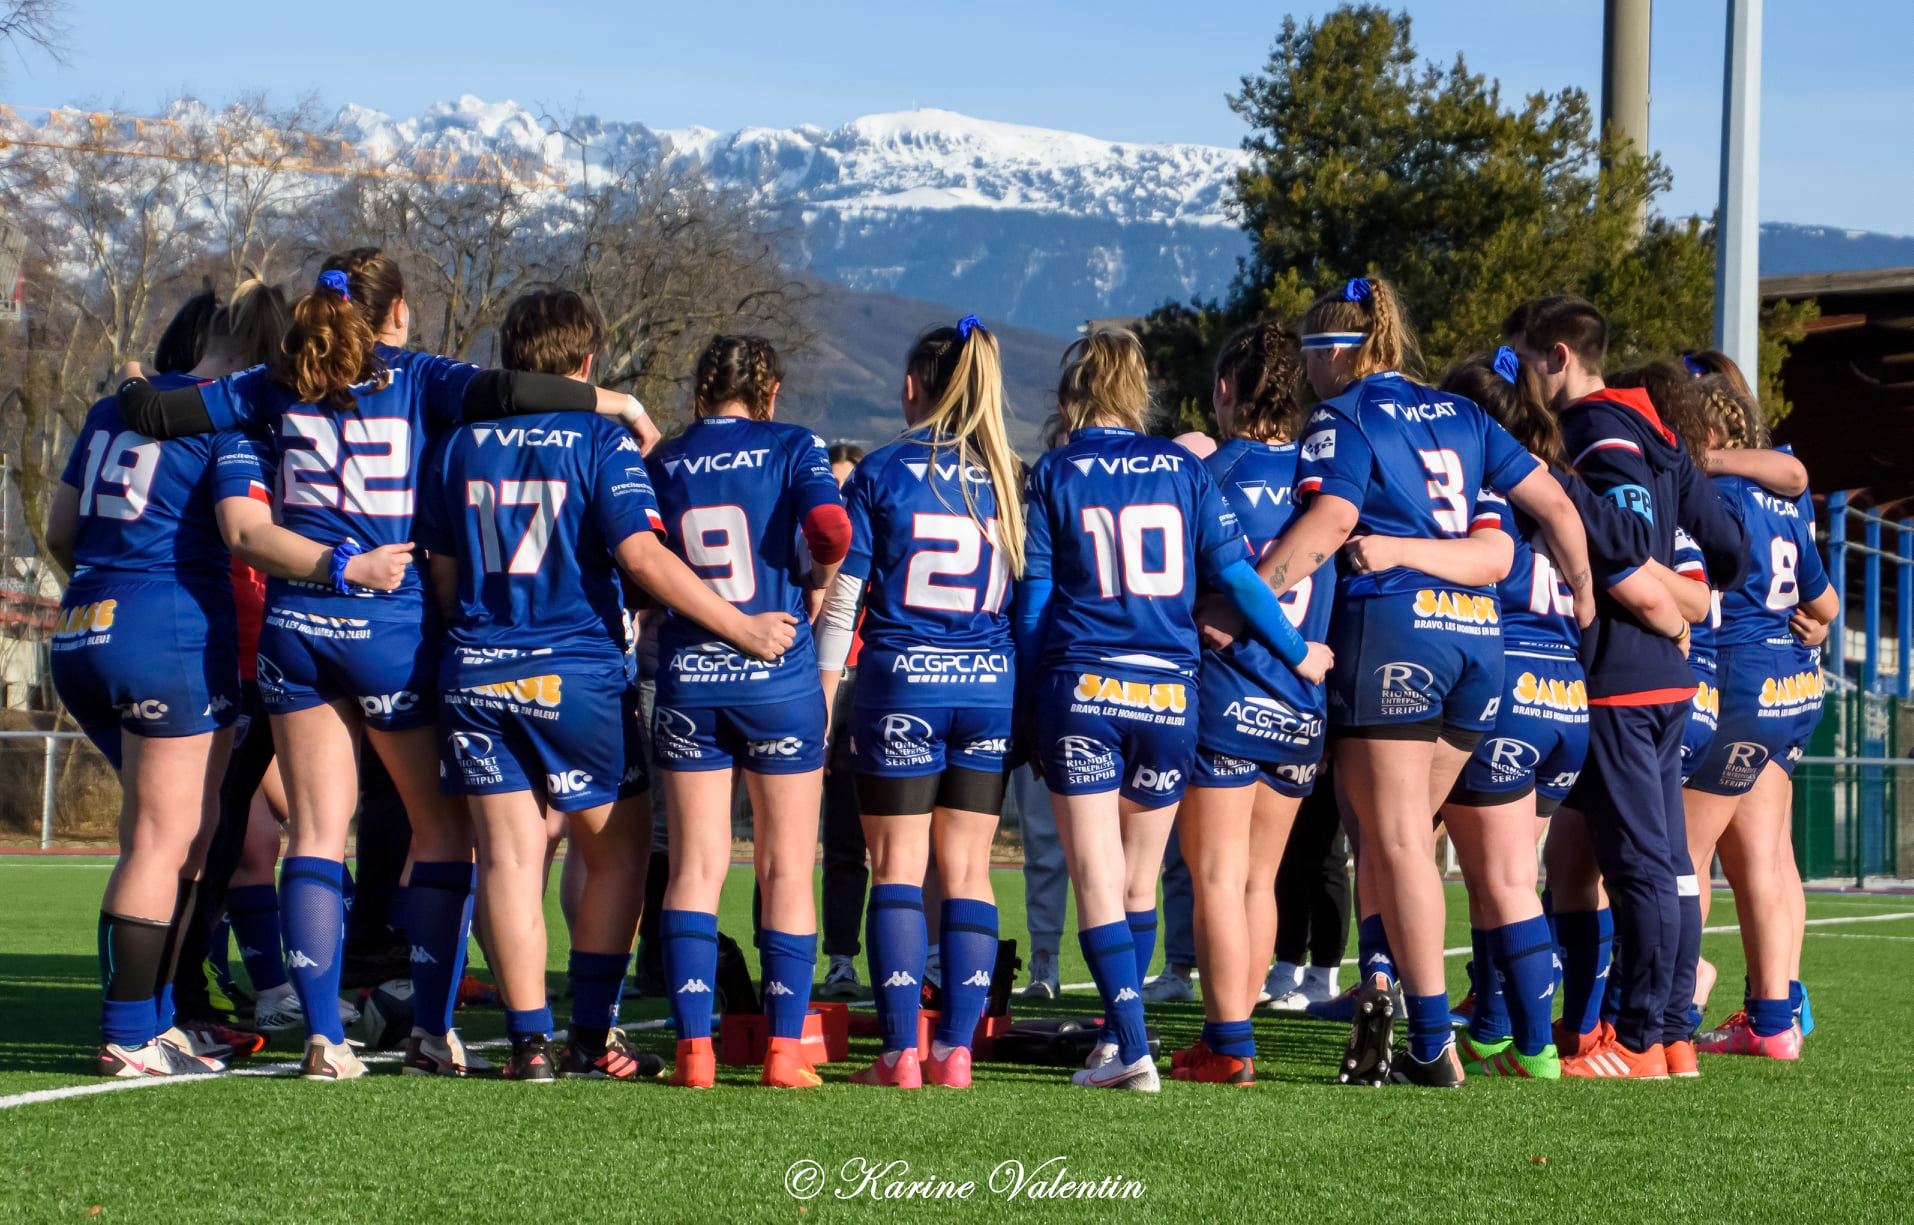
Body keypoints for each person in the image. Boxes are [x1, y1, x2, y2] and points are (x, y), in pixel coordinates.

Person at [113, 249, 655, 1079]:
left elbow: (157, 413)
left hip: (298, 622)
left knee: (317, 834)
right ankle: (433, 1032)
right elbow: (513, 393)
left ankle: (326, 1038)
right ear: (396, 312)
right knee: (440, 832)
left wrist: (130, 386)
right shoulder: (415, 374)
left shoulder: (269, 384)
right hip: (390, 624)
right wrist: (615, 398)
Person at [419, 290, 796, 1081]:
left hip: (476, 666)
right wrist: (742, 625)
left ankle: (529, 1043)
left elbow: (446, 581)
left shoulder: (454, 445)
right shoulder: (600, 438)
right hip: (575, 672)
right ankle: (593, 1034)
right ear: (586, 364)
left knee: (510, 859)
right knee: (618, 851)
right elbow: (643, 559)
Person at [1254, 277, 1593, 1087]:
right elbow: (1554, 503)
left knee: (1398, 837)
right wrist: (1582, 592)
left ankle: (1429, 1041)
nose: (1306, 378)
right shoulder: (1464, 412)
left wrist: (1249, 596)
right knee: (1394, 839)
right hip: (1478, 640)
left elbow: (1331, 522)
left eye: (1309, 358)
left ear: (1336, 352)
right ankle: (1391, 999)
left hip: (1395, 628)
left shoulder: (1345, 414)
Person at [1015, 327, 1331, 1092]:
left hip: (1086, 684)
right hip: (1170, 695)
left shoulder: (1056, 470)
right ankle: (1121, 1039)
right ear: (1140, 392)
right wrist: (1297, 652)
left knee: (1095, 872)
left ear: (1072, 395)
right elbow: (1243, 578)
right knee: (1137, 880)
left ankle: (1128, 1046)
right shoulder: (1181, 469)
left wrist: (1028, 703)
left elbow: (1034, 604)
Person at [1505, 297, 1748, 1080]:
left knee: (1642, 861)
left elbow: (1625, 539)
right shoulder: (1658, 431)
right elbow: (1729, 548)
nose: (1519, 380)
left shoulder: (1594, 431)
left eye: (1522, 361)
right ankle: (1671, 1032)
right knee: (1668, 859)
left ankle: (1639, 1037)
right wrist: (1686, 594)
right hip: (1670, 676)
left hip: (1619, 674)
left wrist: (1554, 492)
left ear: (1560, 356)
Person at [48, 282, 286, 1077]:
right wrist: (341, 565)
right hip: (170, 633)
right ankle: (129, 1032)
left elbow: (59, 530)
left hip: (84, 627)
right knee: (163, 838)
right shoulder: (229, 414)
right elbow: (244, 534)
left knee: (179, 833)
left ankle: (157, 1020)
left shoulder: (117, 405)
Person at [814, 315, 1025, 1088]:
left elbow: (843, 603)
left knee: (897, 868)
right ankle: (957, 1050)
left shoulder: (882, 469)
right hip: (988, 686)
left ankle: (902, 1049)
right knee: (968, 870)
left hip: (905, 680)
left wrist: (824, 691)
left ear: (912, 388)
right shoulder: (1007, 471)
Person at [649, 335, 850, 1090]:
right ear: (769, 393)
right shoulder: (793, 442)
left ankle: (694, 1051)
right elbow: (832, 531)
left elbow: (641, 568)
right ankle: (782, 1051)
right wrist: (818, 574)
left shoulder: (665, 459)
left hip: (691, 676)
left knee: (697, 864)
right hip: (776, 676)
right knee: (785, 864)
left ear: (700, 390)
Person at [1653, 374, 1836, 1059]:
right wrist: (1813, 631)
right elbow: (1828, 607)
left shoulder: (1714, 490)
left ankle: (1676, 1006)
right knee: (1769, 855)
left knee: (1687, 855)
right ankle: (1775, 1011)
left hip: (1735, 681)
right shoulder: (1784, 490)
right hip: (1790, 685)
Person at [1170, 320, 1333, 1084]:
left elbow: (1193, 594)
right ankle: (1239, 1032)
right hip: (1300, 705)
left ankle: (1227, 1040)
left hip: (1228, 697)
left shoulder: (1214, 473)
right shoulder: (1321, 477)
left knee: (1215, 876)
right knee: (1258, 879)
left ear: (1225, 390)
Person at [817, 442, 872, 1002]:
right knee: (794, 838)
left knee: (865, 835)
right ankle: (830, 957)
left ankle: (864, 960)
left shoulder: (875, 542)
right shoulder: (808, 544)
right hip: (807, 684)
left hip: (866, 685)